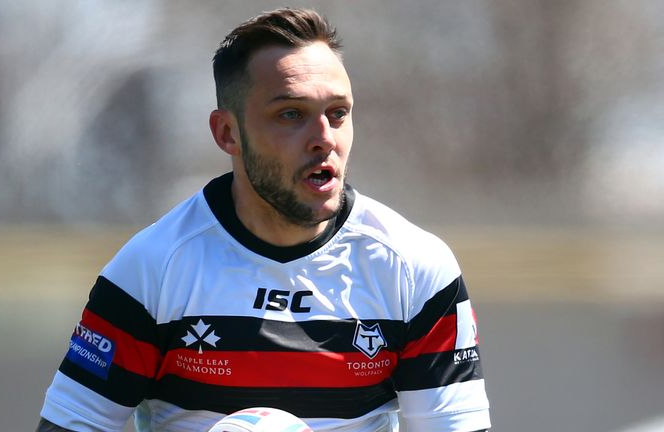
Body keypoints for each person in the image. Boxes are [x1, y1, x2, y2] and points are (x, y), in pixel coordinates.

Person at [37, 7, 491, 432]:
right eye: (291, 114)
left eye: (338, 113)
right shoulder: (151, 268)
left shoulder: (414, 268)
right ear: (227, 132)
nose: (324, 138)